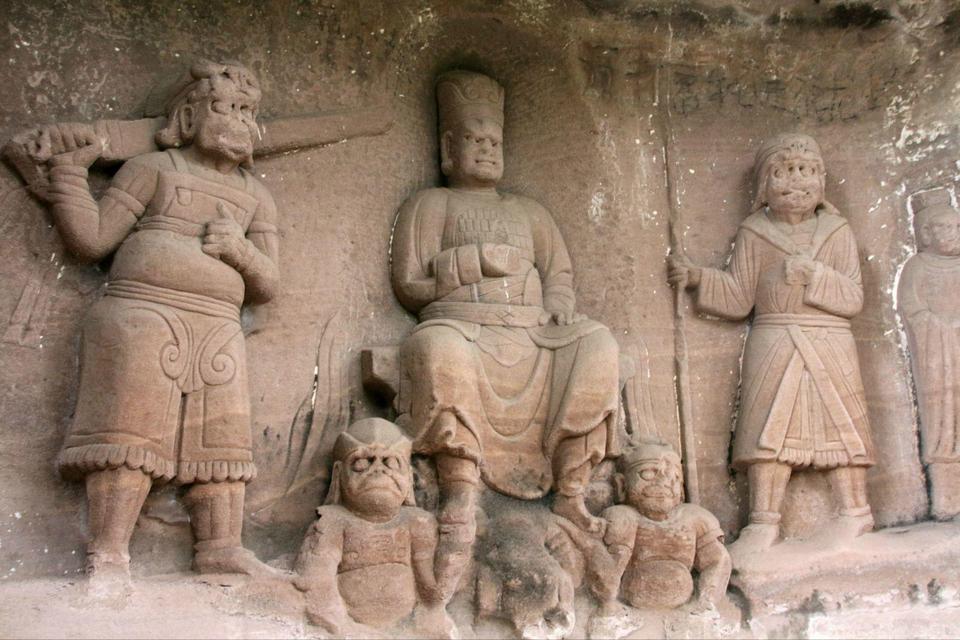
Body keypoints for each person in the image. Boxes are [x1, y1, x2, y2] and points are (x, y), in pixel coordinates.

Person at [43, 60, 280, 582]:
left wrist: (241, 252)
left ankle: (220, 547)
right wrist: (68, 174)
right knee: (129, 435)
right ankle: (109, 552)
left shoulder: (256, 196)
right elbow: (92, 241)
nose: (240, 122)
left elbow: (268, 284)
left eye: (248, 112)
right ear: (188, 116)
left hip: (218, 326)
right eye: (226, 108)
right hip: (141, 312)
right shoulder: (152, 169)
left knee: (221, 442)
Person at [391, 70, 621, 597]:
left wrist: (558, 307)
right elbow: (409, 284)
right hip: (461, 326)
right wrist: (474, 262)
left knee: (598, 344)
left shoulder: (530, 213)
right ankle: (460, 488)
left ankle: (571, 490)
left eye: (494, 142)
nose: (487, 150)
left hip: (534, 333)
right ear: (448, 148)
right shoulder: (431, 205)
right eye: (474, 140)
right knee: (437, 348)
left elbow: (559, 275)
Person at [668, 133, 875, 556]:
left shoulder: (837, 232)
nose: (796, 181)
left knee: (842, 428)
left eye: (806, 171)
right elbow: (739, 297)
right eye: (785, 172)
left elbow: (854, 297)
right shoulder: (754, 232)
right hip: (774, 338)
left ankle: (855, 513)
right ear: (765, 183)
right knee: (765, 431)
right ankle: (763, 521)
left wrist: (816, 275)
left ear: (821, 181)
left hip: (829, 339)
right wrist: (698, 278)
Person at [294, 418, 455, 638]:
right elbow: (318, 586)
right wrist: (344, 628)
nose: (378, 470)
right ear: (339, 474)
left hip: (408, 627)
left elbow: (429, 589)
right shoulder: (331, 522)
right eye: (362, 463)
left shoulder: (417, 522)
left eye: (391, 462)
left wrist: (435, 606)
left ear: (408, 476)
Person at [898, 192, 960, 519]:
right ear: (925, 233)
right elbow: (912, 308)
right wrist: (942, 328)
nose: (952, 234)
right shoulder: (917, 267)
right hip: (939, 356)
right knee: (942, 420)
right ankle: (949, 497)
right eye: (944, 228)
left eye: (956, 227)